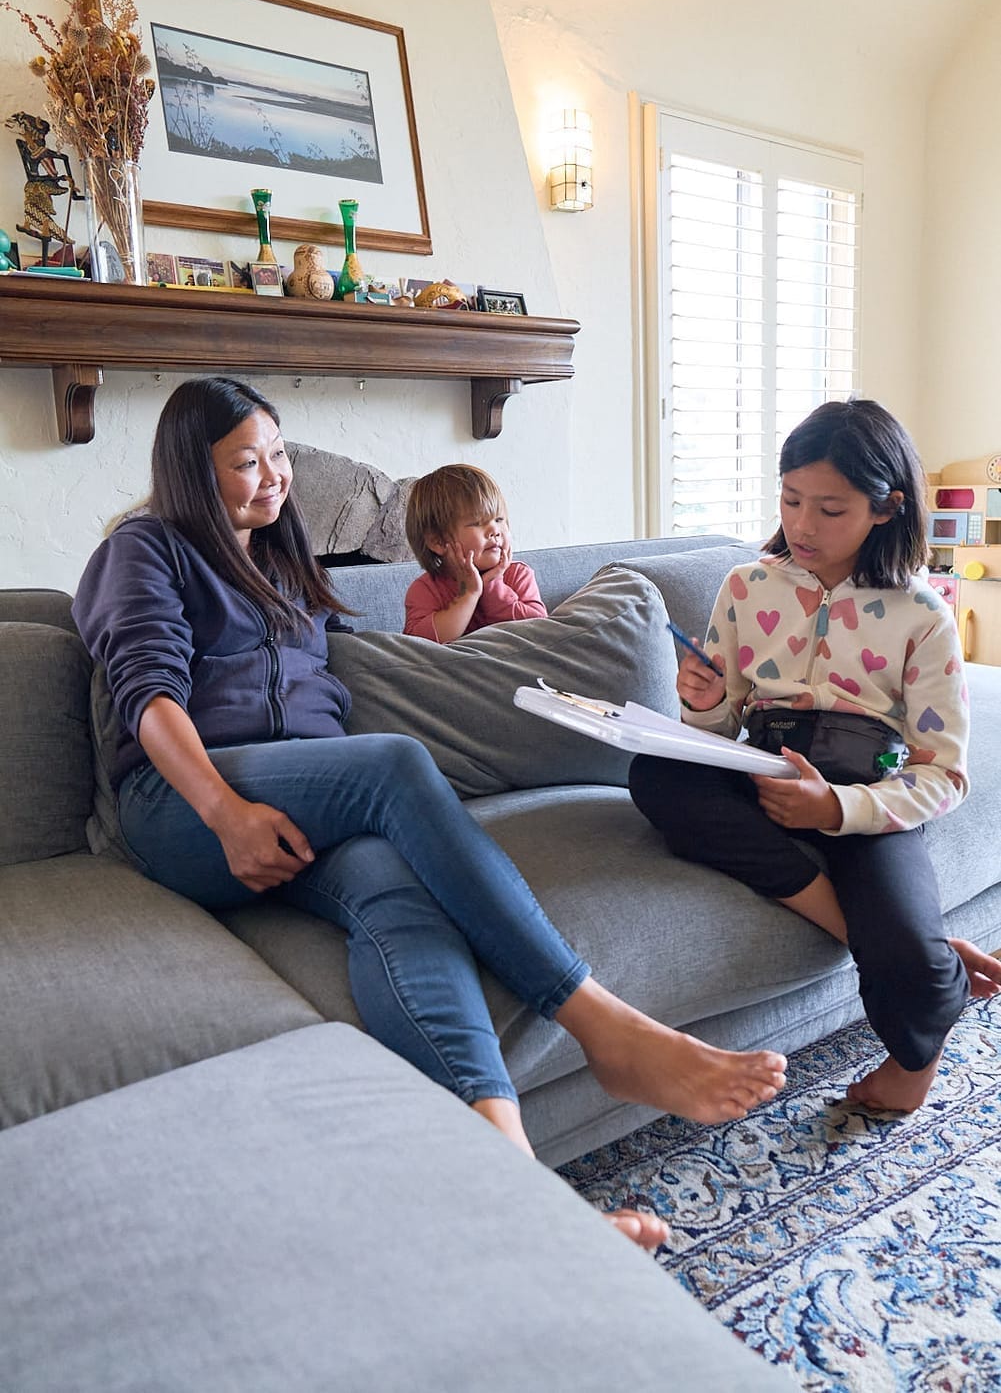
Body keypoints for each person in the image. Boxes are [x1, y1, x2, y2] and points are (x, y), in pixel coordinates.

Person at [72, 376, 787, 1248]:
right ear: (190, 470)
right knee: (394, 764)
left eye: (280, 453)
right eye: (244, 462)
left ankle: (515, 1189)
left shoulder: (283, 562)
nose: (273, 476)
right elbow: (149, 698)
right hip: (185, 804)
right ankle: (603, 1025)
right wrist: (223, 812)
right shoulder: (143, 550)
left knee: (396, 893)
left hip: (302, 798)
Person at [628, 397, 1001, 1113]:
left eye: (830, 509)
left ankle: (917, 1026)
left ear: (884, 508)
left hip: (867, 797)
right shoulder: (745, 586)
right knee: (658, 774)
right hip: (762, 775)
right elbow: (717, 731)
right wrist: (702, 701)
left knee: (907, 962)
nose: (802, 524)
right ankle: (886, 933)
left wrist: (837, 806)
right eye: (791, 499)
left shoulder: (921, 615)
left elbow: (941, 773)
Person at [403, 463, 546, 641]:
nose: (495, 530)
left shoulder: (518, 574)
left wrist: (493, 586)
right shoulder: (425, 590)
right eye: (477, 523)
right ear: (437, 541)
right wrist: (468, 594)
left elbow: (539, 631)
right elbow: (419, 647)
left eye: (499, 519)